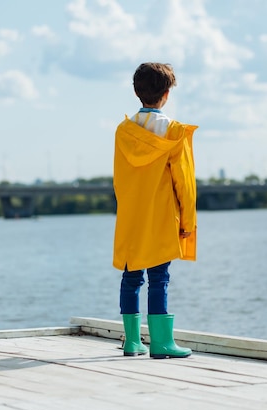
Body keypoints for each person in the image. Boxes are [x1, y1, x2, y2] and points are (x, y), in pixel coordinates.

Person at [113, 62, 198, 359]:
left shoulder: (124, 131)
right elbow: (184, 182)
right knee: (159, 278)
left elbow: (119, 179)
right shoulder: (174, 132)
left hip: (131, 217)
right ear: (166, 95)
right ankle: (162, 343)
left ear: (137, 93)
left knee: (131, 277)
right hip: (162, 217)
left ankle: (132, 342)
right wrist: (187, 220)